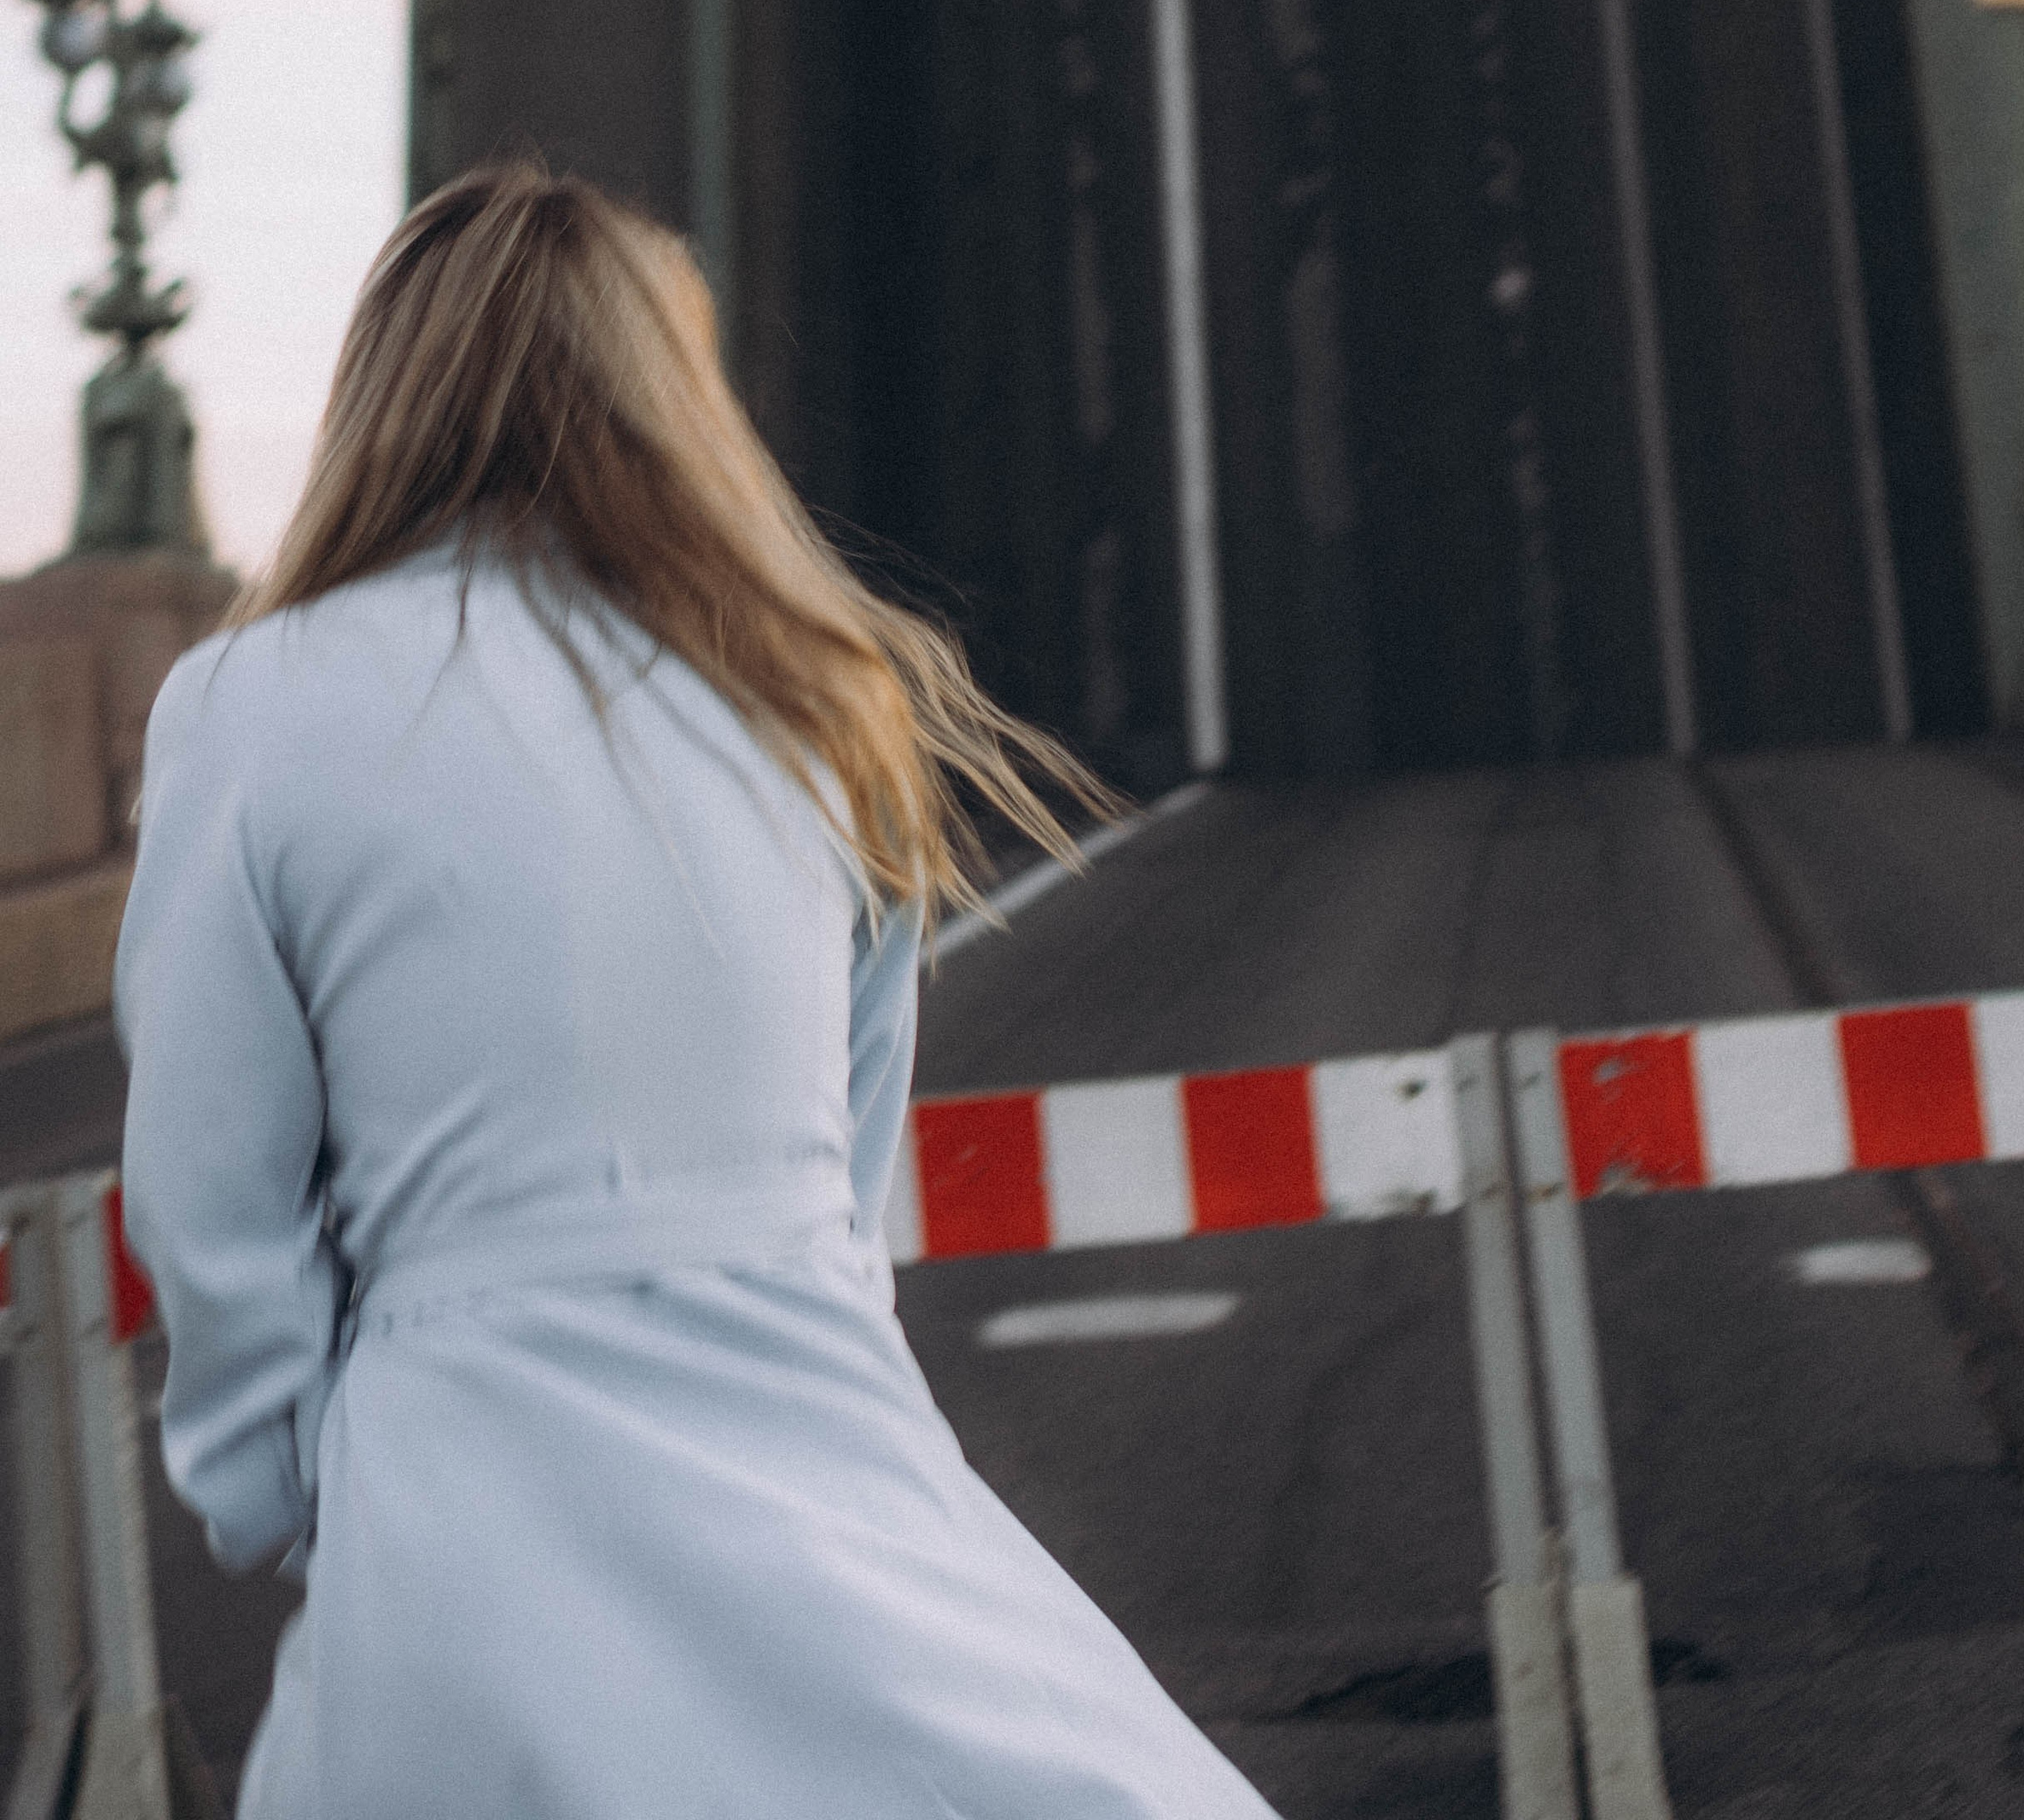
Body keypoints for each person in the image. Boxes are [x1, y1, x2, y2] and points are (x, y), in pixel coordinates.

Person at [116, 165, 1277, 1818]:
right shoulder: (814, 697)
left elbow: (209, 1192)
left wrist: (296, 1488)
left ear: (382, 393)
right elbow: (845, 1180)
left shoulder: (249, 705)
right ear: (670, 396)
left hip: (461, 1492)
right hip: (818, 1445)